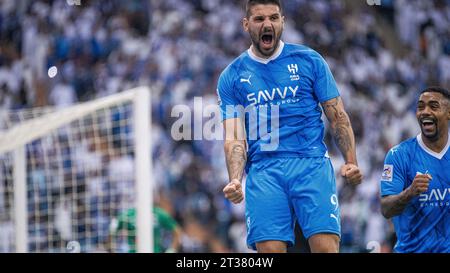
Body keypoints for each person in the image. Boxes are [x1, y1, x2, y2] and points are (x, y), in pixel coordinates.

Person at [217, 0, 362, 253]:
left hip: (310, 163)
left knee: (326, 248)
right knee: (270, 251)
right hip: (264, 171)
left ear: (282, 21)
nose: (267, 24)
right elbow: (234, 137)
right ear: (246, 24)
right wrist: (235, 179)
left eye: (273, 18)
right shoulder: (231, 76)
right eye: (259, 19)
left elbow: (337, 116)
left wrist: (350, 160)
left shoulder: (309, 60)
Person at [380, 86, 450, 253]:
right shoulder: (398, 155)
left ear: (448, 113)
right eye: (420, 107)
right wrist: (409, 192)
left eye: (433, 106)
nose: (425, 112)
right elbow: (386, 209)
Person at [109, 206, 182, 253]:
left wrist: (172, 250)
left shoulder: (158, 213)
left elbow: (177, 231)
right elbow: (112, 230)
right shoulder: (128, 215)